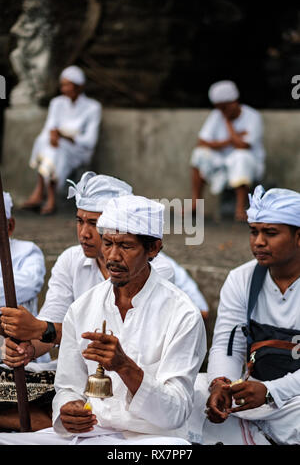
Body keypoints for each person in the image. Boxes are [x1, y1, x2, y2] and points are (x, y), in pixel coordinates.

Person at [1, 172, 208, 430]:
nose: (113, 255)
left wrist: (124, 367)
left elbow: (175, 412)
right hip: (93, 432)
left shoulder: (182, 313)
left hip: (151, 437)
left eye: (126, 246)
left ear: (153, 249)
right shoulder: (83, 305)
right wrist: (68, 409)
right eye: (108, 243)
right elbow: (67, 387)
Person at [188, 185, 300, 445]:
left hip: (290, 398)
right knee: (192, 392)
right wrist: (221, 384)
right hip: (254, 393)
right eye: (254, 231)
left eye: (270, 233)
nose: (258, 241)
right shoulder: (241, 279)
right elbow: (228, 344)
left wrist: (272, 392)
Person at [0, 191, 54, 432]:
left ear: (9, 225)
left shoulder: (27, 252)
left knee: (44, 415)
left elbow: (21, 289)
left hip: (21, 361)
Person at [22, 65, 102, 215]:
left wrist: (67, 136)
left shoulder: (92, 107)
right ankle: (49, 197)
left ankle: (40, 192)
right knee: (46, 143)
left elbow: (90, 141)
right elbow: (49, 127)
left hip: (78, 150)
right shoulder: (57, 103)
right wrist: (53, 135)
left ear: (78, 87)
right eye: (62, 85)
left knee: (55, 149)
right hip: (57, 146)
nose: (64, 89)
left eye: (67, 85)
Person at [190, 80, 265, 221]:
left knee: (241, 157)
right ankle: (196, 204)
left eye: (224, 107)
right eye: (219, 108)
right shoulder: (217, 115)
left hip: (249, 165)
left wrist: (228, 125)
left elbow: (243, 147)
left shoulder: (253, 116)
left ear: (234, 101)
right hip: (222, 162)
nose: (221, 111)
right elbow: (201, 142)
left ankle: (240, 208)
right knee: (199, 155)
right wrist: (231, 140)